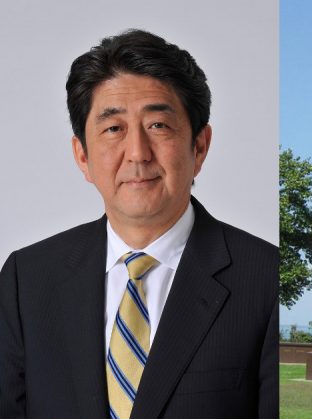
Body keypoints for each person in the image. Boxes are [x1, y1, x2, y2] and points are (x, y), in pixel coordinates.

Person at [0, 29, 278, 418]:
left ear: (199, 147)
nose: (137, 153)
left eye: (158, 126)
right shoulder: (25, 280)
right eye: (113, 129)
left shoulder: (265, 279)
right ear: (82, 155)